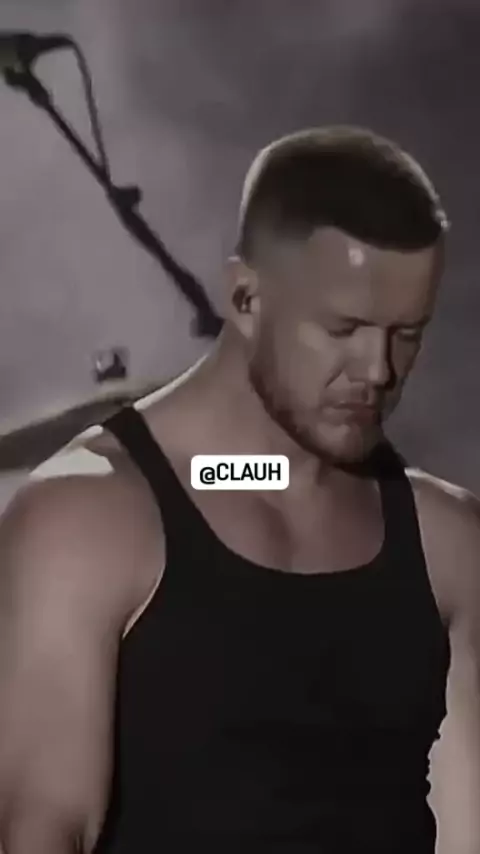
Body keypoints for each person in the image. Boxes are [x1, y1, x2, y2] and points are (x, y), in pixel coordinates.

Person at [0, 125, 478, 854]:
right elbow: (42, 825)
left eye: (407, 333)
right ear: (245, 298)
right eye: (343, 328)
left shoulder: (449, 542)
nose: (378, 369)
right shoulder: (89, 522)